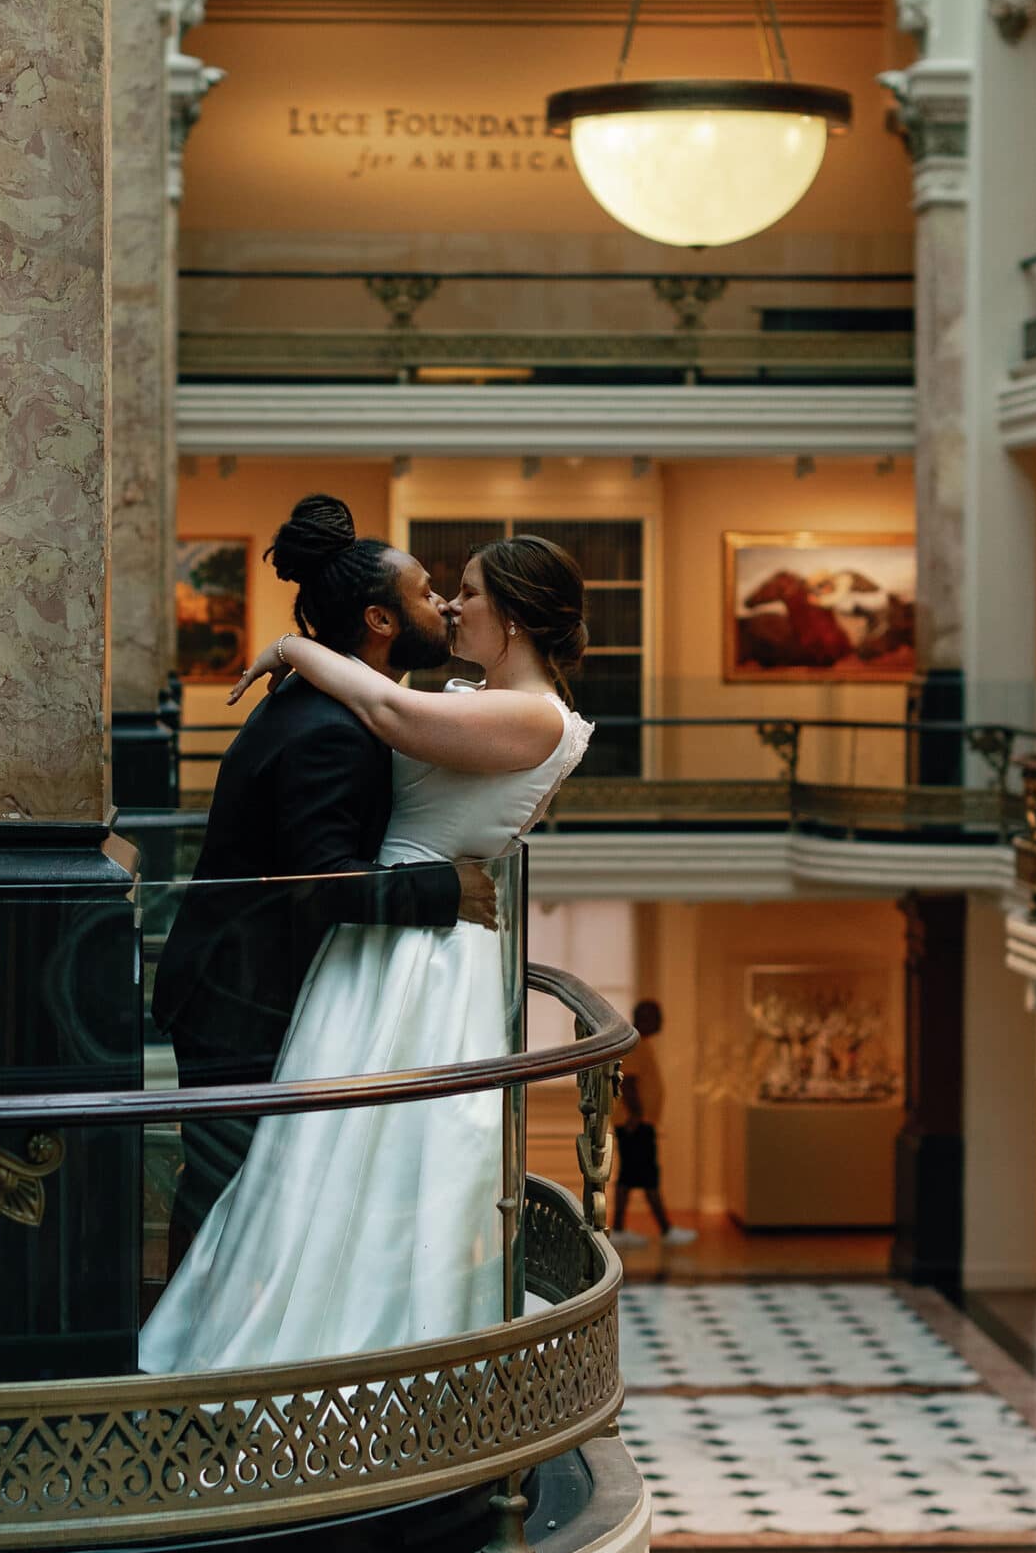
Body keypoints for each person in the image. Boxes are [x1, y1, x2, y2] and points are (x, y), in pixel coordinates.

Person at [138, 527, 593, 1374]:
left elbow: (387, 712)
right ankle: (277, 1348)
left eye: (469, 592)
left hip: (412, 961)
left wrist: (289, 647)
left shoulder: (529, 714)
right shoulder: (464, 696)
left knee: (370, 1166)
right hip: (376, 941)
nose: (453, 604)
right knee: (317, 1164)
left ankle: (355, 1360)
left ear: (518, 619)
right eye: (440, 590)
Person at [150, 495, 495, 1275]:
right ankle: (185, 1377)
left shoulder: (328, 704)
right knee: (227, 1193)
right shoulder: (328, 733)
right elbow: (325, 882)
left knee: (247, 1189)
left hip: (246, 985)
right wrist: (449, 890)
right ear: (378, 621)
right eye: (424, 592)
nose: (441, 604)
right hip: (238, 997)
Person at [611, 998, 696, 1249]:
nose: (661, 1022)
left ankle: (620, 1228)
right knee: (645, 1177)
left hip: (636, 1122)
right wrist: (636, 1115)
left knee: (632, 1177)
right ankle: (665, 1229)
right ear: (644, 1017)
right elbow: (628, 1083)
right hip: (635, 1123)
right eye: (657, 1016)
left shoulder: (639, 1043)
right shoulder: (636, 1044)